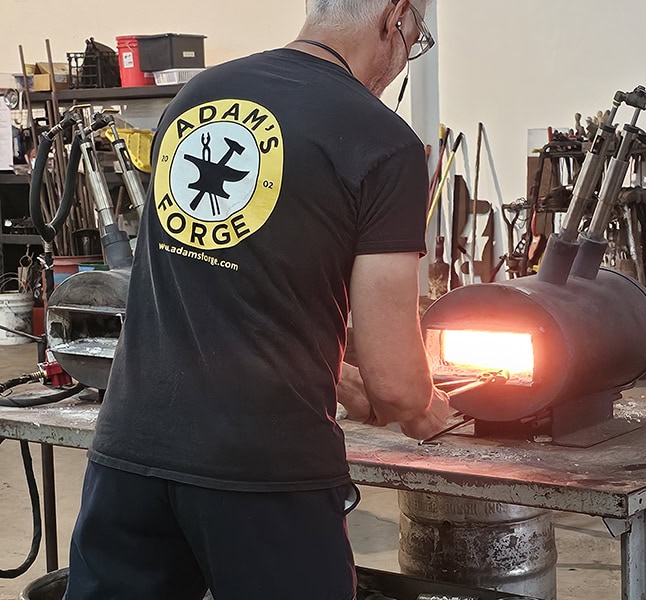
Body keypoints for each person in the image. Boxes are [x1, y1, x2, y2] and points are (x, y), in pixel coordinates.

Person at [63, 0, 450, 598]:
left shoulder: (197, 96)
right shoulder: (384, 141)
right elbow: (397, 381)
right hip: (263, 473)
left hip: (130, 455)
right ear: (396, 15)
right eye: (416, 38)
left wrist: (335, 375)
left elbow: (228, 283)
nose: (405, 59)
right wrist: (423, 408)